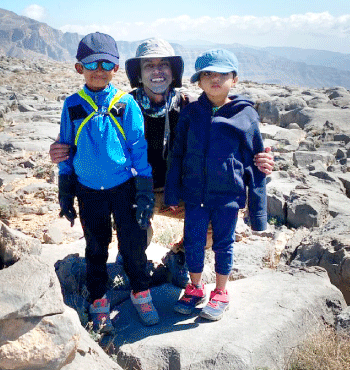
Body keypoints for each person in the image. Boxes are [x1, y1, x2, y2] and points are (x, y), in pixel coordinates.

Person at [50, 38, 273, 285]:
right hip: (134, 191)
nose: (157, 71)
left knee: (212, 224)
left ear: (173, 72)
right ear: (139, 74)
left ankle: (180, 256)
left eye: (163, 65)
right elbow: (81, 138)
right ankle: (132, 256)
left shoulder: (188, 108)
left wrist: (258, 159)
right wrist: (60, 149)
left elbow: (224, 135)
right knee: (135, 236)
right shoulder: (122, 105)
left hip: (178, 193)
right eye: (149, 66)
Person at [56, 32, 159, 333]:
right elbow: (65, 147)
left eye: (106, 63)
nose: (99, 70)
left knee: (133, 243)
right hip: (88, 191)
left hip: (123, 187)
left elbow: (138, 148)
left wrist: (144, 189)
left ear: (115, 67)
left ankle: (141, 291)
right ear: (80, 68)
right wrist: (65, 191)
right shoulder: (72, 105)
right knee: (96, 246)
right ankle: (99, 299)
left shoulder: (125, 104)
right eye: (91, 64)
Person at [165, 48, 268, 321]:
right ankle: (195, 288)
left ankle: (221, 292)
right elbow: (177, 154)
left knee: (224, 244)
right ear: (198, 81)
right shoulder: (190, 114)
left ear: (234, 80)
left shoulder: (245, 116)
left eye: (222, 74)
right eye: (208, 74)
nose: (215, 79)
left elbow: (257, 165)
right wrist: (173, 193)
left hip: (228, 197)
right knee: (195, 242)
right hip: (195, 195)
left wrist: (258, 215)